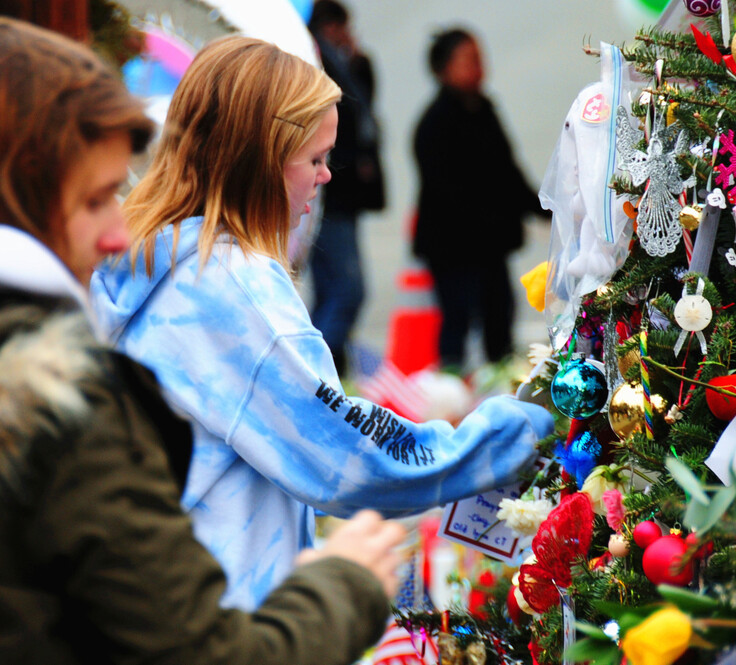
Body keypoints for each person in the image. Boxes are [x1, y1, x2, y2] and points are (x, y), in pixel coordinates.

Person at [0, 18, 405, 665]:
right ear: (16, 198)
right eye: (97, 199)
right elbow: (202, 653)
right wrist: (343, 584)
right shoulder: (60, 403)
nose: (118, 233)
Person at [90, 35, 555, 611]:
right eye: (314, 159)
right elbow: (353, 460)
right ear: (260, 161)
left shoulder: (151, 258)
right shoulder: (238, 290)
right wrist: (520, 429)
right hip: (216, 611)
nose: (326, 175)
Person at [412, 28, 548, 374]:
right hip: (453, 246)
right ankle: (451, 387)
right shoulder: (434, 124)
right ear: (444, 69)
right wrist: (495, 218)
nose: (479, 68)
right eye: (469, 60)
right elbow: (448, 194)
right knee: (457, 320)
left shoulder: (484, 109)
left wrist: (545, 208)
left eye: (479, 58)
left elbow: (509, 172)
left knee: (500, 315)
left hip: (489, 244)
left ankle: (500, 383)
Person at [306, 0, 386, 376]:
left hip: (338, 196)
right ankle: (316, 369)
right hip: (330, 198)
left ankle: (327, 368)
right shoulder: (316, 61)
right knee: (347, 289)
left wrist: (357, 63)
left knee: (330, 290)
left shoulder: (343, 63)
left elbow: (364, 105)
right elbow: (351, 116)